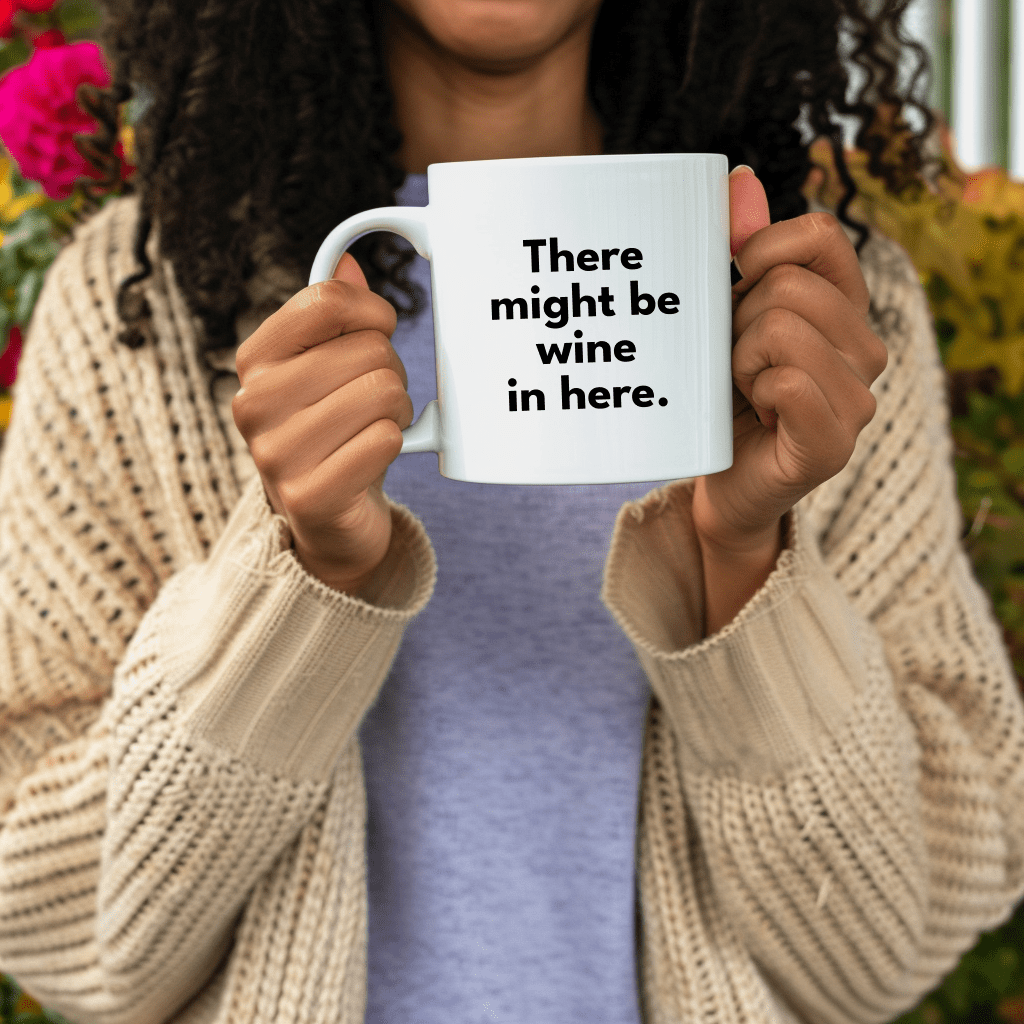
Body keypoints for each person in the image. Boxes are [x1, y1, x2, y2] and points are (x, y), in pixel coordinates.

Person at [1, 0, 1023, 1022]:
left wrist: (742, 560)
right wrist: (300, 582)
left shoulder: (817, 319)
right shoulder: (142, 303)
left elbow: (873, 963)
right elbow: (64, 931)